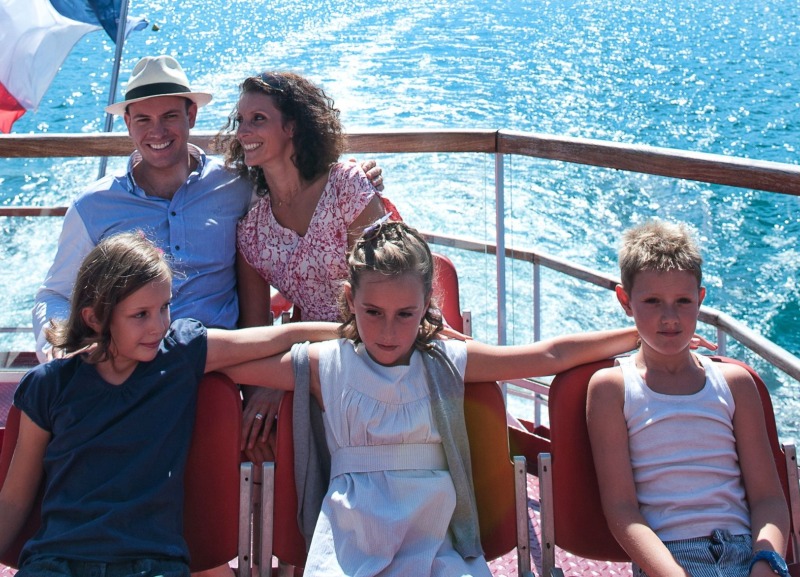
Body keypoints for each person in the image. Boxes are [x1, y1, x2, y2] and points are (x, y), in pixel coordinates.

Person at [221, 220, 648, 576]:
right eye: (372, 313)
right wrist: (312, 331)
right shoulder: (327, 363)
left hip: (435, 549)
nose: (388, 332)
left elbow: (546, 355)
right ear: (350, 302)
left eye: (405, 314)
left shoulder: (445, 362)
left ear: (427, 306)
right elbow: (230, 363)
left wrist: (640, 333)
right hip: (350, 552)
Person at [1, 232, 340, 577]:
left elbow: (273, 339)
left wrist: (349, 332)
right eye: (141, 315)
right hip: (57, 562)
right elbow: (15, 498)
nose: (158, 326)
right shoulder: (48, 385)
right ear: (94, 317)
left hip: (151, 563)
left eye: (164, 308)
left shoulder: (178, 355)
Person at [31, 56, 382, 362]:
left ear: (192, 116)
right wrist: (58, 350)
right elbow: (55, 295)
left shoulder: (237, 188)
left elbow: (301, 189)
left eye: (170, 116)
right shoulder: (92, 207)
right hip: (132, 368)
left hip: (221, 365)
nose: (157, 131)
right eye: (142, 120)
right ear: (127, 124)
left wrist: (352, 178)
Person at [587, 219, 790, 577]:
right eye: (652, 301)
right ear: (625, 301)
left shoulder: (735, 383)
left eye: (682, 301)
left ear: (700, 299)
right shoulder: (611, 390)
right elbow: (621, 510)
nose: (670, 318)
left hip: (747, 552)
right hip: (669, 559)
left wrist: (766, 562)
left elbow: (769, 499)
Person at [216, 71, 387, 456]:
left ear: (292, 126)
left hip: (379, 341)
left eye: (258, 119)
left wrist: (289, 375)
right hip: (311, 357)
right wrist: (269, 386)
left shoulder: (346, 185)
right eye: (240, 121)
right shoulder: (252, 233)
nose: (243, 131)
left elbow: (385, 293)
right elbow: (256, 333)